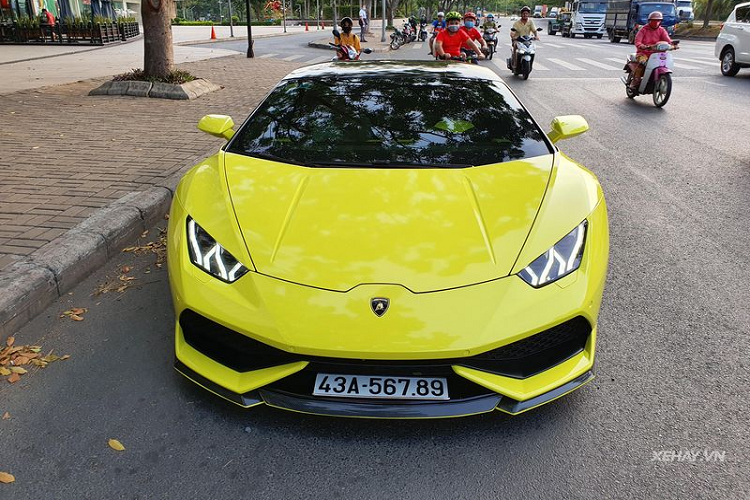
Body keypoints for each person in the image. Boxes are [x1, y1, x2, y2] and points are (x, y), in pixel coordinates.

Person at [630, 11, 677, 88]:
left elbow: (668, 40)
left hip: (657, 54)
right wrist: (642, 46)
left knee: (663, 64)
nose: (656, 22)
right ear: (649, 20)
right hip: (643, 53)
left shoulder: (662, 30)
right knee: (642, 63)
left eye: (658, 20)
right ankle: (636, 79)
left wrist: (673, 45)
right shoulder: (643, 30)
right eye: (654, 20)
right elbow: (637, 41)